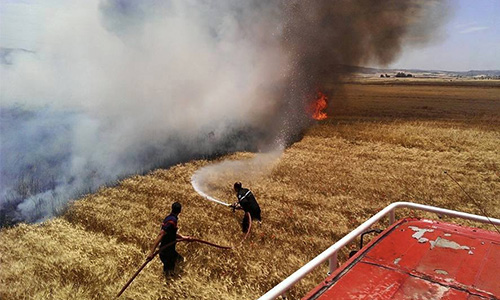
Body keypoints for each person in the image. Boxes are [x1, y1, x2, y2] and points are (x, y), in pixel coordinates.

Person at [147, 202, 192, 277]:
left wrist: (184, 237)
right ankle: (167, 285)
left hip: (170, 250)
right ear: (180, 210)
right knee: (169, 272)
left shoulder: (168, 218)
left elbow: (171, 234)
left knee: (180, 260)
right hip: (166, 251)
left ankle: (173, 279)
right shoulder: (172, 221)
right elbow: (161, 234)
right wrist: (151, 252)